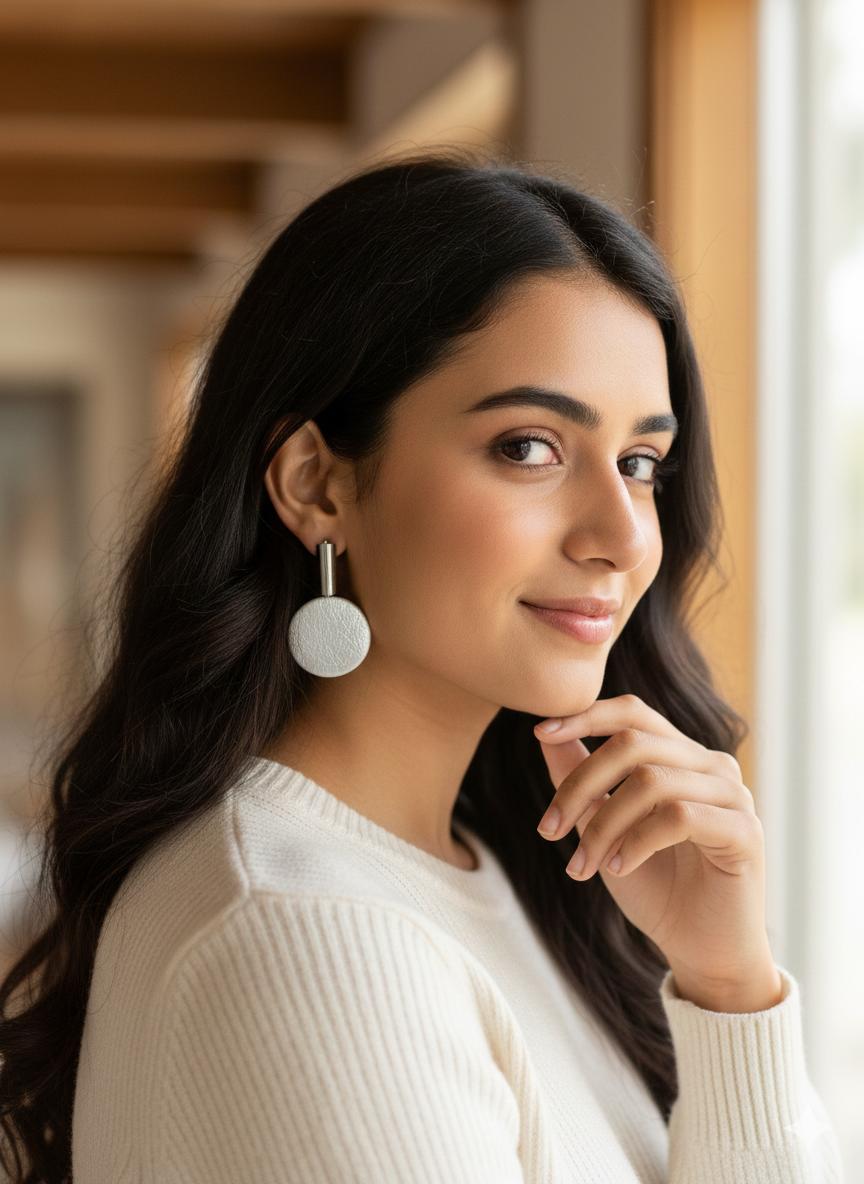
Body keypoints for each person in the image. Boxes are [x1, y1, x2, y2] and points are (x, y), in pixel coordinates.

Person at [0, 149, 845, 1183]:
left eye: (641, 463)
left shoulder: (484, 876)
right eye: (529, 447)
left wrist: (731, 987)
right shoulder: (307, 934)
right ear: (316, 484)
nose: (624, 535)